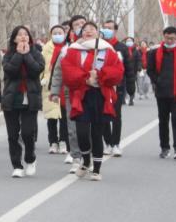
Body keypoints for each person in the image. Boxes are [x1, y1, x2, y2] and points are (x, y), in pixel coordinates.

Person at [62, 22, 124, 181]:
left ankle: (96, 169)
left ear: (98, 33)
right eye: (85, 29)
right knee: (82, 132)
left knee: (97, 133)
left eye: (92, 29)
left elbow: (118, 71)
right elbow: (67, 70)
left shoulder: (108, 50)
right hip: (82, 95)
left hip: (101, 96)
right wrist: (84, 79)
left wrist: (101, 75)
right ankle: (85, 160)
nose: (88, 31)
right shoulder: (74, 50)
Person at [2, 26, 45, 178]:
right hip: (12, 98)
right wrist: (18, 55)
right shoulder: (8, 55)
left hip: (30, 98)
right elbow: (10, 70)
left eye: (25, 34)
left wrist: (26, 55)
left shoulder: (36, 53)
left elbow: (36, 70)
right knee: (13, 135)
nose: (22, 37)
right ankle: (17, 165)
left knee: (27, 133)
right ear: (14, 39)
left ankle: (30, 159)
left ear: (29, 38)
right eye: (19, 35)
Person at [50, 15, 87, 170]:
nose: (80, 27)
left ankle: (89, 156)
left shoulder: (99, 47)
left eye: (83, 23)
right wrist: (54, 91)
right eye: (76, 25)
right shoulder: (67, 49)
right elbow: (58, 72)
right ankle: (76, 157)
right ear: (72, 30)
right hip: (71, 92)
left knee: (88, 128)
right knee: (72, 129)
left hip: (92, 93)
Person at [147, 27, 176, 160]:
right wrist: (158, 81)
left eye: (172, 38)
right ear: (163, 37)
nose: (169, 41)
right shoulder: (154, 53)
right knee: (163, 121)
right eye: (167, 38)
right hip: (162, 92)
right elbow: (150, 70)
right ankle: (165, 147)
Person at [100, 20, 129, 156]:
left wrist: (129, 86)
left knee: (116, 115)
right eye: (105, 28)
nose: (107, 30)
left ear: (115, 31)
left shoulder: (121, 47)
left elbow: (128, 67)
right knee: (104, 115)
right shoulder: (99, 46)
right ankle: (107, 143)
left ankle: (116, 144)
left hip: (118, 87)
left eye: (110, 28)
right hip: (102, 86)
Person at [41, 25, 68, 156]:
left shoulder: (68, 48)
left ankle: (63, 141)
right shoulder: (45, 49)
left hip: (64, 85)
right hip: (48, 86)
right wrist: (42, 79)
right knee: (51, 117)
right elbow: (41, 66)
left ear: (64, 34)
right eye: (55, 33)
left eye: (60, 32)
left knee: (64, 116)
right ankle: (53, 142)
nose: (57, 35)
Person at [123, 36, 140, 106]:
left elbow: (138, 60)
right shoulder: (123, 49)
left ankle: (131, 99)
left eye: (130, 40)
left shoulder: (136, 51)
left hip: (133, 71)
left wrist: (139, 67)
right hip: (124, 70)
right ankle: (123, 99)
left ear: (133, 42)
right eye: (127, 41)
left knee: (132, 85)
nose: (129, 42)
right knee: (124, 85)